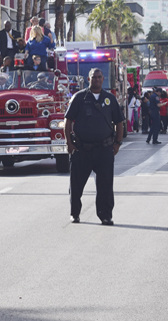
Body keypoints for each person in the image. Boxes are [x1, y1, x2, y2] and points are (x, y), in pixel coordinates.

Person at [65, 68, 124, 225]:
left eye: (99, 77)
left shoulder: (110, 99)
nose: (96, 79)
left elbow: (119, 122)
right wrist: (69, 143)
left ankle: (105, 215)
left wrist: (118, 143)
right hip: (82, 149)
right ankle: (75, 213)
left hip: (104, 149)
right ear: (88, 79)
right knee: (76, 184)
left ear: (103, 79)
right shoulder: (79, 98)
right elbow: (68, 120)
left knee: (105, 185)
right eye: (93, 77)